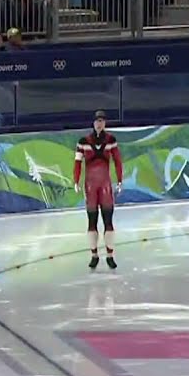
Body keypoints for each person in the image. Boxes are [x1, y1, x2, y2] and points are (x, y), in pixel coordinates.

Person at [73, 110, 123, 270]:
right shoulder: (83, 141)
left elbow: (117, 161)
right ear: (93, 123)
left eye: (102, 120)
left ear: (105, 123)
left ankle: (110, 255)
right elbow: (77, 163)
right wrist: (76, 180)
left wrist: (120, 179)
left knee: (108, 221)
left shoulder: (111, 140)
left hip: (105, 186)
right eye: (97, 121)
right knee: (92, 221)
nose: (99, 123)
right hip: (90, 187)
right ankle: (94, 254)